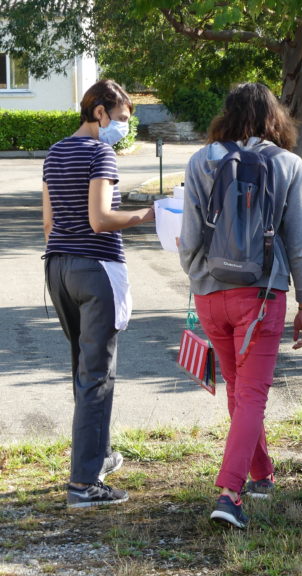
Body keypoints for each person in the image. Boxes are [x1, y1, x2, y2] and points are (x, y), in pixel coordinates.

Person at [179, 82, 302, 530]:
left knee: (239, 392)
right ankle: (229, 492)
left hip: (210, 294)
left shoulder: (201, 160)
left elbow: (191, 236)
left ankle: (261, 474)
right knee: (252, 394)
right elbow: (300, 244)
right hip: (261, 296)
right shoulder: (288, 164)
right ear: (273, 116)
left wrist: (198, 275)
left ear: (228, 114)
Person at [43, 79, 155, 508]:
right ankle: (84, 484)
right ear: (101, 112)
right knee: (98, 375)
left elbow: (48, 222)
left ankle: (99, 456)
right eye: (123, 118)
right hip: (96, 270)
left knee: (82, 370)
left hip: (57, 268)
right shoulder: (100, 151)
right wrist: (148, 214)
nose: (125, 127)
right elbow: (100, 219)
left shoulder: (55, 152)